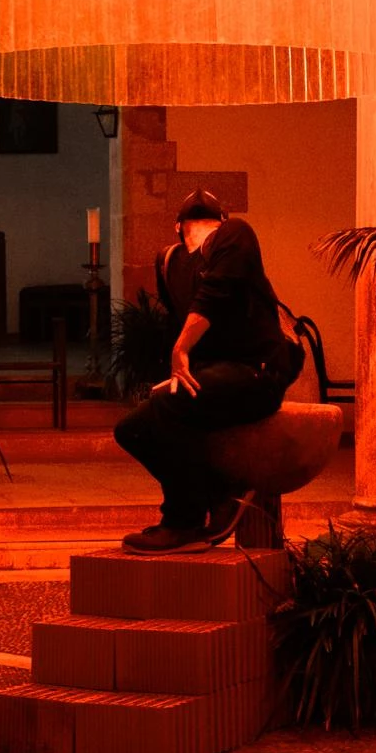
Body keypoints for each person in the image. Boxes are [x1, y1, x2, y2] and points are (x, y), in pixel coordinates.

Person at [114, 188, 302, 552]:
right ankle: (217, 491)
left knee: (171, 405)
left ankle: (183, 522)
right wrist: (175, 372)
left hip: (258, 370)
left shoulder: (236, 234)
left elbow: (215, 293)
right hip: (214, 372)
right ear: (178, 228)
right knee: (131, 428)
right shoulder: (168, 260)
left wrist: (181, 349)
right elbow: (180, 320)